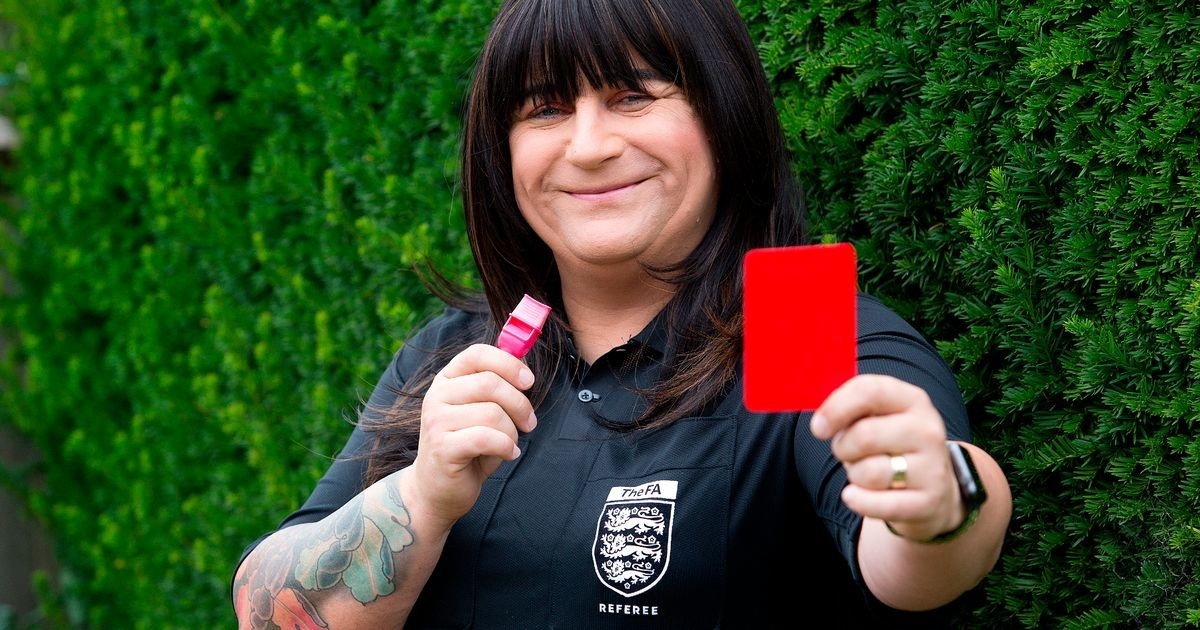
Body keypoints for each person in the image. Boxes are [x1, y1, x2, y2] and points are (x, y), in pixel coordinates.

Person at [231, 0, 1013, 627]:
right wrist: (424, 494)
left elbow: (921, 559)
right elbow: (268, 611)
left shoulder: (796, 320)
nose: (588, 146)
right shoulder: (458, 352)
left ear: (723, 114)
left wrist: (939, 499)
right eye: (544, 109)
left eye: (632, 96)